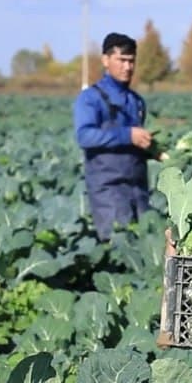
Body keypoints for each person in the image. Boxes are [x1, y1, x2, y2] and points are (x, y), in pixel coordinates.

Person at [73, 32, 153, 240]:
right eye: (121, 60)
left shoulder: (136, 100)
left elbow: (137, 140)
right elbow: (84, 136)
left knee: (146, 244)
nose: (127, 67)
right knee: (119, 244)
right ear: (105, 60)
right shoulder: (90, 98)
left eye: (131, 61)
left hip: (138, 187)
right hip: (108, 188)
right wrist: (127, 135)